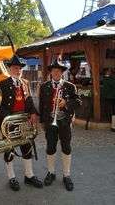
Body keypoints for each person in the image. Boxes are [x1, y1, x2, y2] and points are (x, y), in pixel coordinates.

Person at [0, 53, 43, 191]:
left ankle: (29, 175)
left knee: (26, 147)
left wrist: (34, 112)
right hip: (9, 121)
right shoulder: (2, 84)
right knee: (9, 148)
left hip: (23, 120)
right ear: (10, 69)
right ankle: (11, 176)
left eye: (20, 68)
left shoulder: (26, 83)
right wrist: (7, 119)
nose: (18, 70)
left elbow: (29, 101)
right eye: (15, 68)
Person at [39, 55, 82, 191]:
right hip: (51, 120)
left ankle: (66, 175)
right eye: (54, 71)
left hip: (64, 121)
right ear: (51, 72)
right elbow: (41, 105)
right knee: (50, 147)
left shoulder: (70, 86)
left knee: (66, 147)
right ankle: (51, 172)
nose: (56, 73)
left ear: (62, 72)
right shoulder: (44, 86)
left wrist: (66, 103)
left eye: (59, 71)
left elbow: (78, 101)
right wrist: (42, 121)